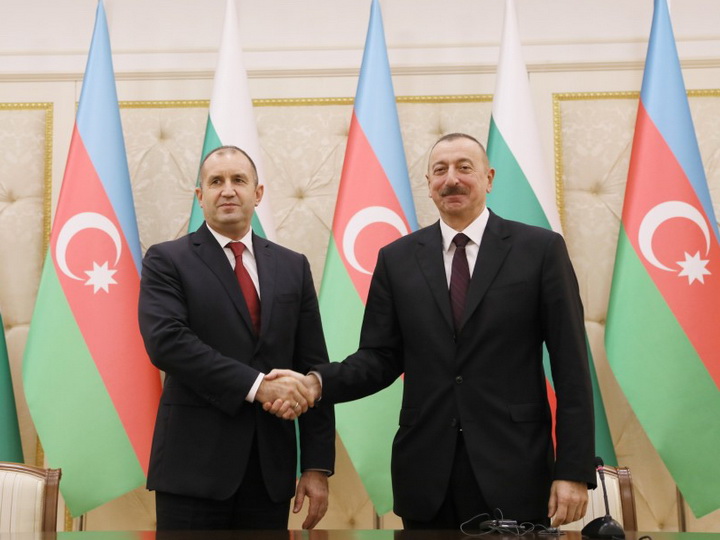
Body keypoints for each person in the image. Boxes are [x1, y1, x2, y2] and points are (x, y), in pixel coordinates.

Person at [267, 133, 595, 530]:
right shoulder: (397, 259)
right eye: (440, 170)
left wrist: (573, 470)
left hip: (515, 471)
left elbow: (572, 366)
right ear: (428, 183)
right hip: (426, 477)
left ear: (489, 178)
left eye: (464, 168)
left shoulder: (539, 250)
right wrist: (316, 383)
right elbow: (379, 359)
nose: (451, 179)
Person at [138, 145, 335, 531]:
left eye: (238, 180)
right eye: (216, 182)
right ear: (200, 196)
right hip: (193, 470)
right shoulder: (166, 260)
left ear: (257, 193)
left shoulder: (293, 266)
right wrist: (258, 387)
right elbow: (167, 343)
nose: (227, 190)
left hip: (270, 473)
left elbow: (312, 366)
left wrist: (316, 465)